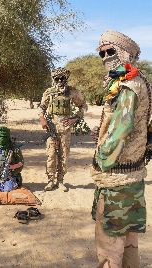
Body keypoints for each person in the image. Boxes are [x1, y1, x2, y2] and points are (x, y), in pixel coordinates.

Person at [91, 30, 151, 268]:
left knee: (109, 246)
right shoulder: (138, 81)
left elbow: (119, 132)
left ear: (125, 53)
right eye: (101, 53)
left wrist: (100, 160)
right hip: (133, 175)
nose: (105, 57)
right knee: (129, 240)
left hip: (117, 178)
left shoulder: (128, 86)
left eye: (110, 51)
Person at [39, 67, 87, 192]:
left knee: (64, 156)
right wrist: (42, 119)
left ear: (66, 78)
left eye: (62, 78)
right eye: (57, 78)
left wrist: (74, 119)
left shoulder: (72, 92)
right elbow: (41, 108)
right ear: (54, 79)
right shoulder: (49, 92)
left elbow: (83, 106)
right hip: (51, 129)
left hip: (65, 130)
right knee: (51, 155)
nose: (60, 80)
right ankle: (50, 181)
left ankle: (60, 181)